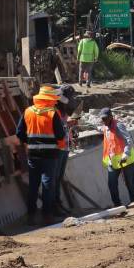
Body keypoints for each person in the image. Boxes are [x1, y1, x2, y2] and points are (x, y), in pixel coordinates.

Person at [16, 85, 66, 225]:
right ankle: (47, 216)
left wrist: (30, 141)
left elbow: (19, 133)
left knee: (33, 185)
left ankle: (31, 216)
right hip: (50, 155)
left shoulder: (28, 111)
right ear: (48, 99)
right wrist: (59, 145)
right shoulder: (52, 113)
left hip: (33, 154)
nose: (55, 101)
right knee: (48, 185)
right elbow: (60, 135)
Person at [99, 107, 134, 206]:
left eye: (106, 118)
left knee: (129, 182)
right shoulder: (105, 127)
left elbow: (128, 140)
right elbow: (102, 130)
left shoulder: (118, 126)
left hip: (125, 159)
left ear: (111, 117)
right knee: (112, 183)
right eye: (102, 119)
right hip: (114, 161)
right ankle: (117, 205)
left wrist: (126, 154)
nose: (104, 121)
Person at [53, 84, 78, 215]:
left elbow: (63, 126)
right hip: (57, 149)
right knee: (54, 178)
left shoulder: (63, 111)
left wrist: (70, 124)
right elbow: (57, 130)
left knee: (58, 177)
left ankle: (57, 204)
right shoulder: (55, 111)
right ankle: (55, 206)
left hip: (64, 147)